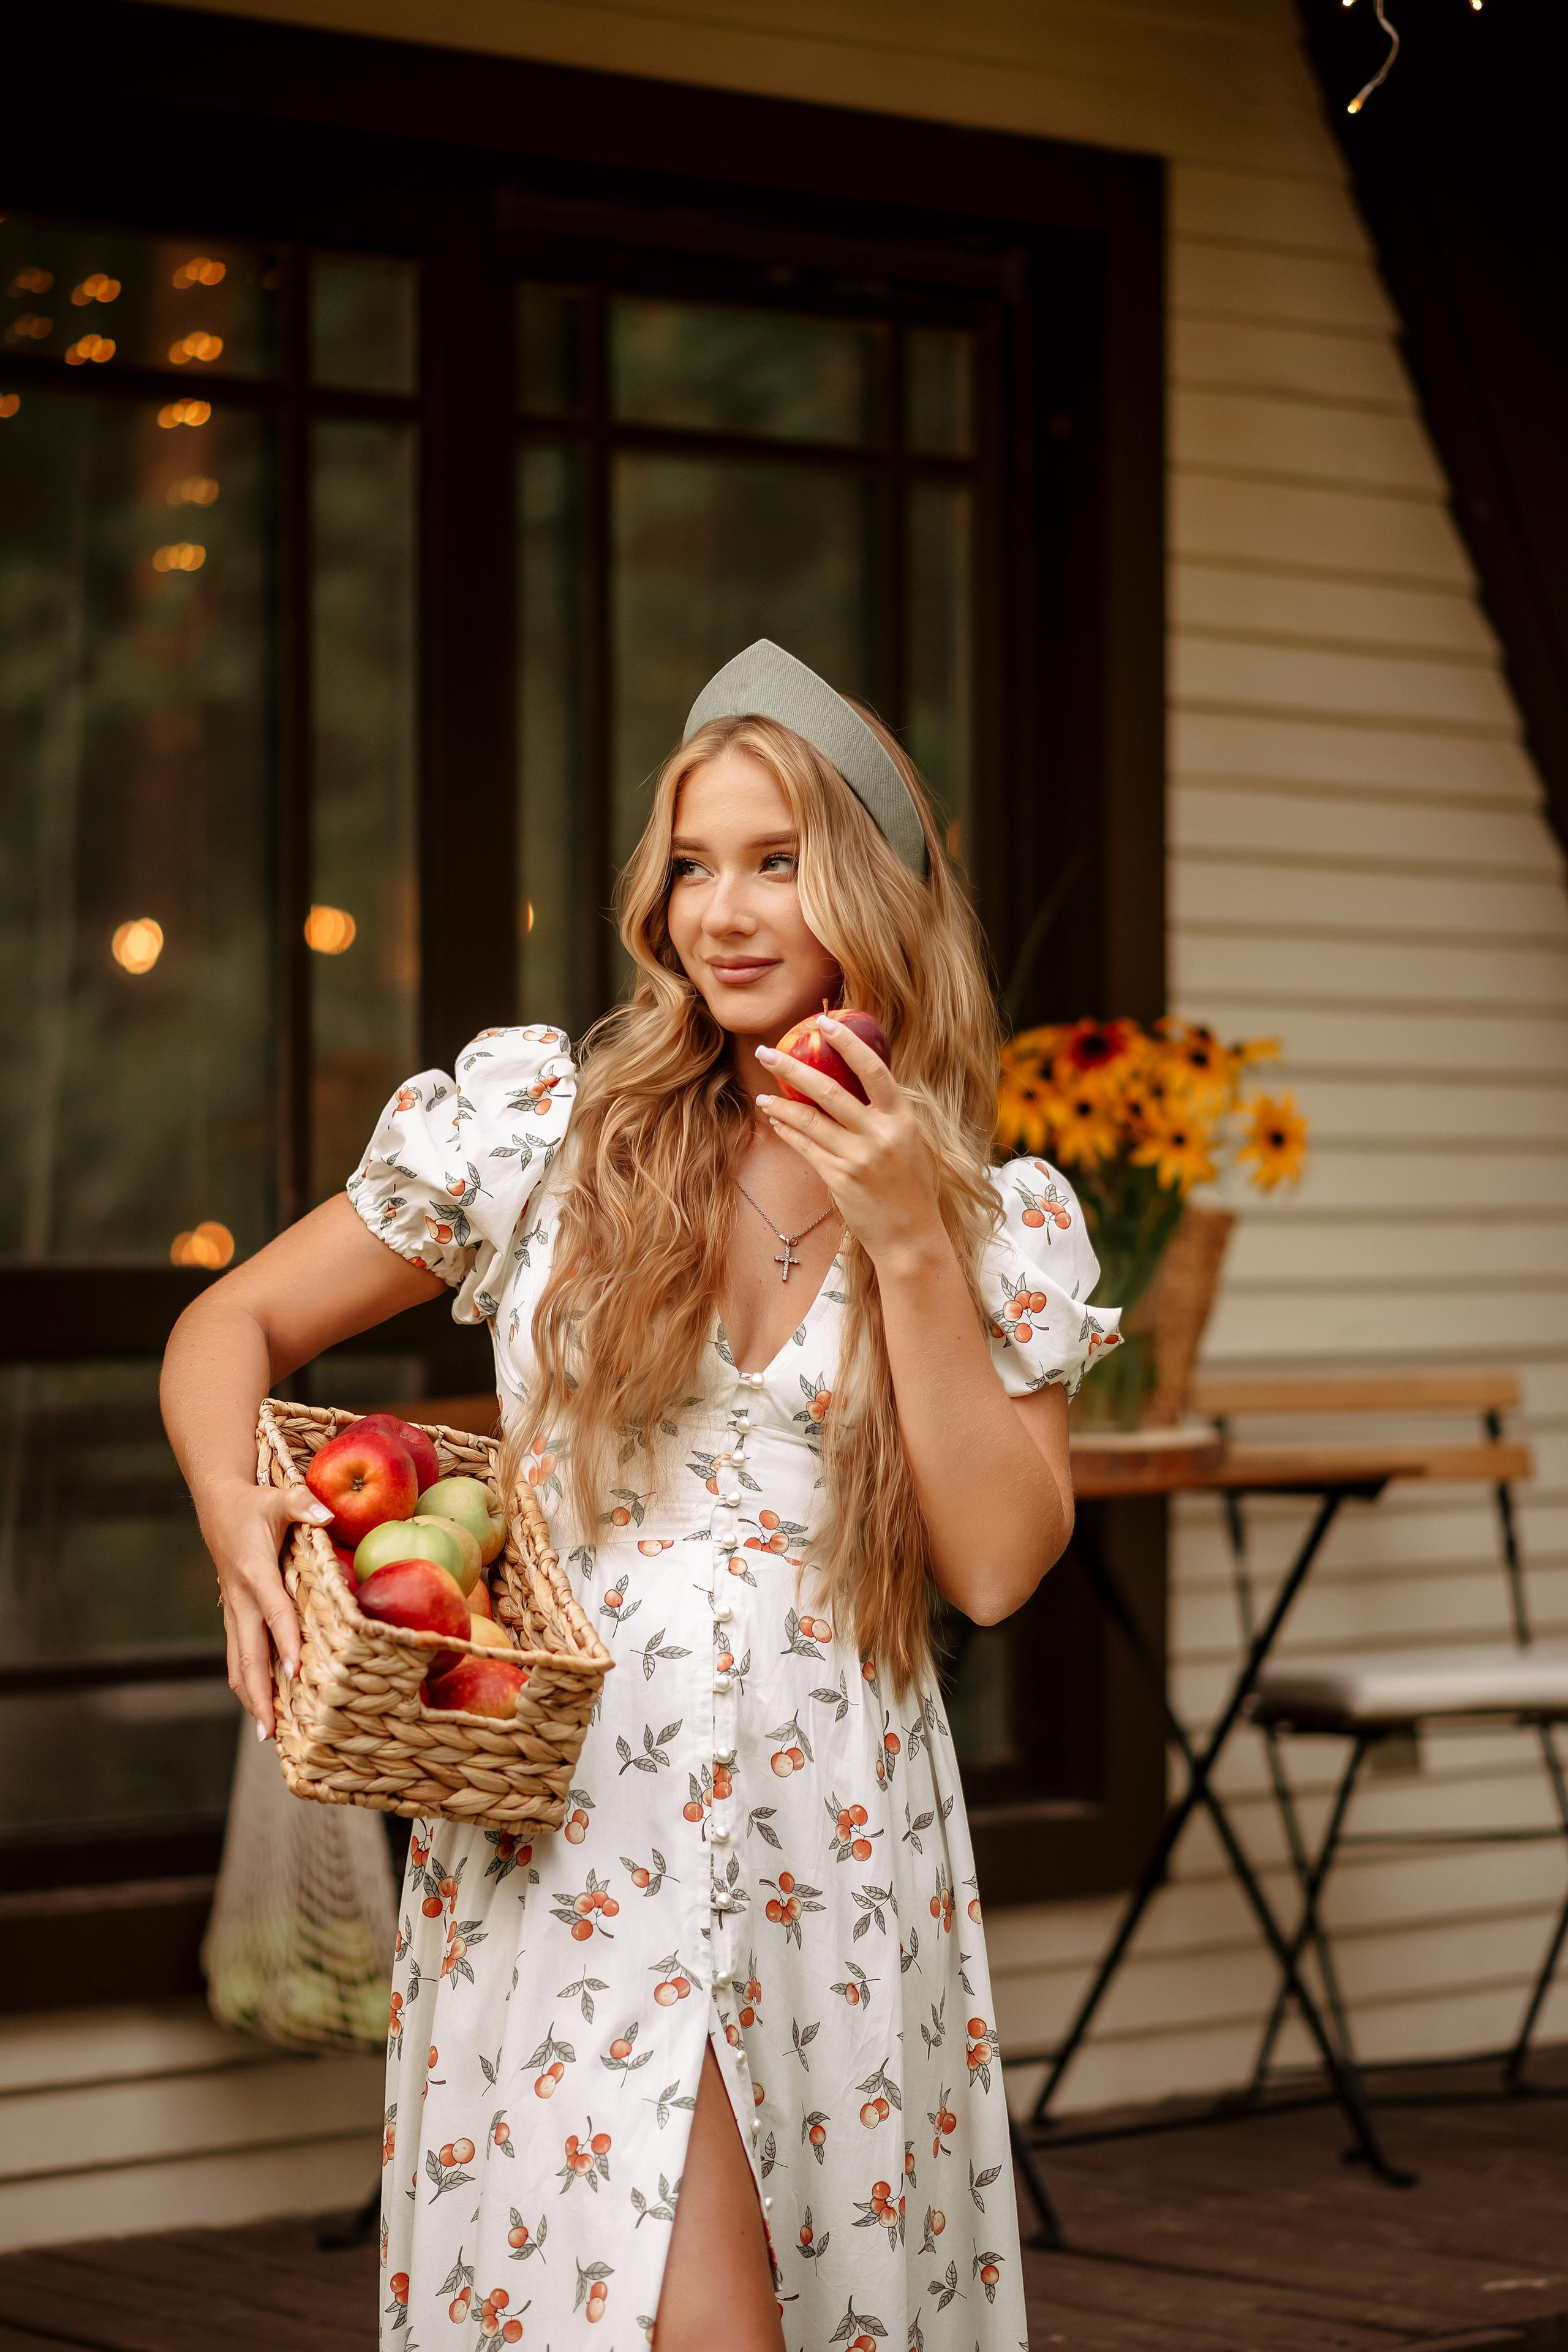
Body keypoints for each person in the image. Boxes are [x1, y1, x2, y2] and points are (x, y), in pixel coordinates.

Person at [162, 642, 1120, 2351]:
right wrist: (239, 1519)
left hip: (825, 1825)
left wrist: (905, 1234)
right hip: (567, 1813)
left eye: (776, 863)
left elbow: (992, 1566)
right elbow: (230, 1325)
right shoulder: (547, 1128)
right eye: (692, 863)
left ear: (871, 896)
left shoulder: (993, 1219)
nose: (724, 911)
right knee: (640, 2293)